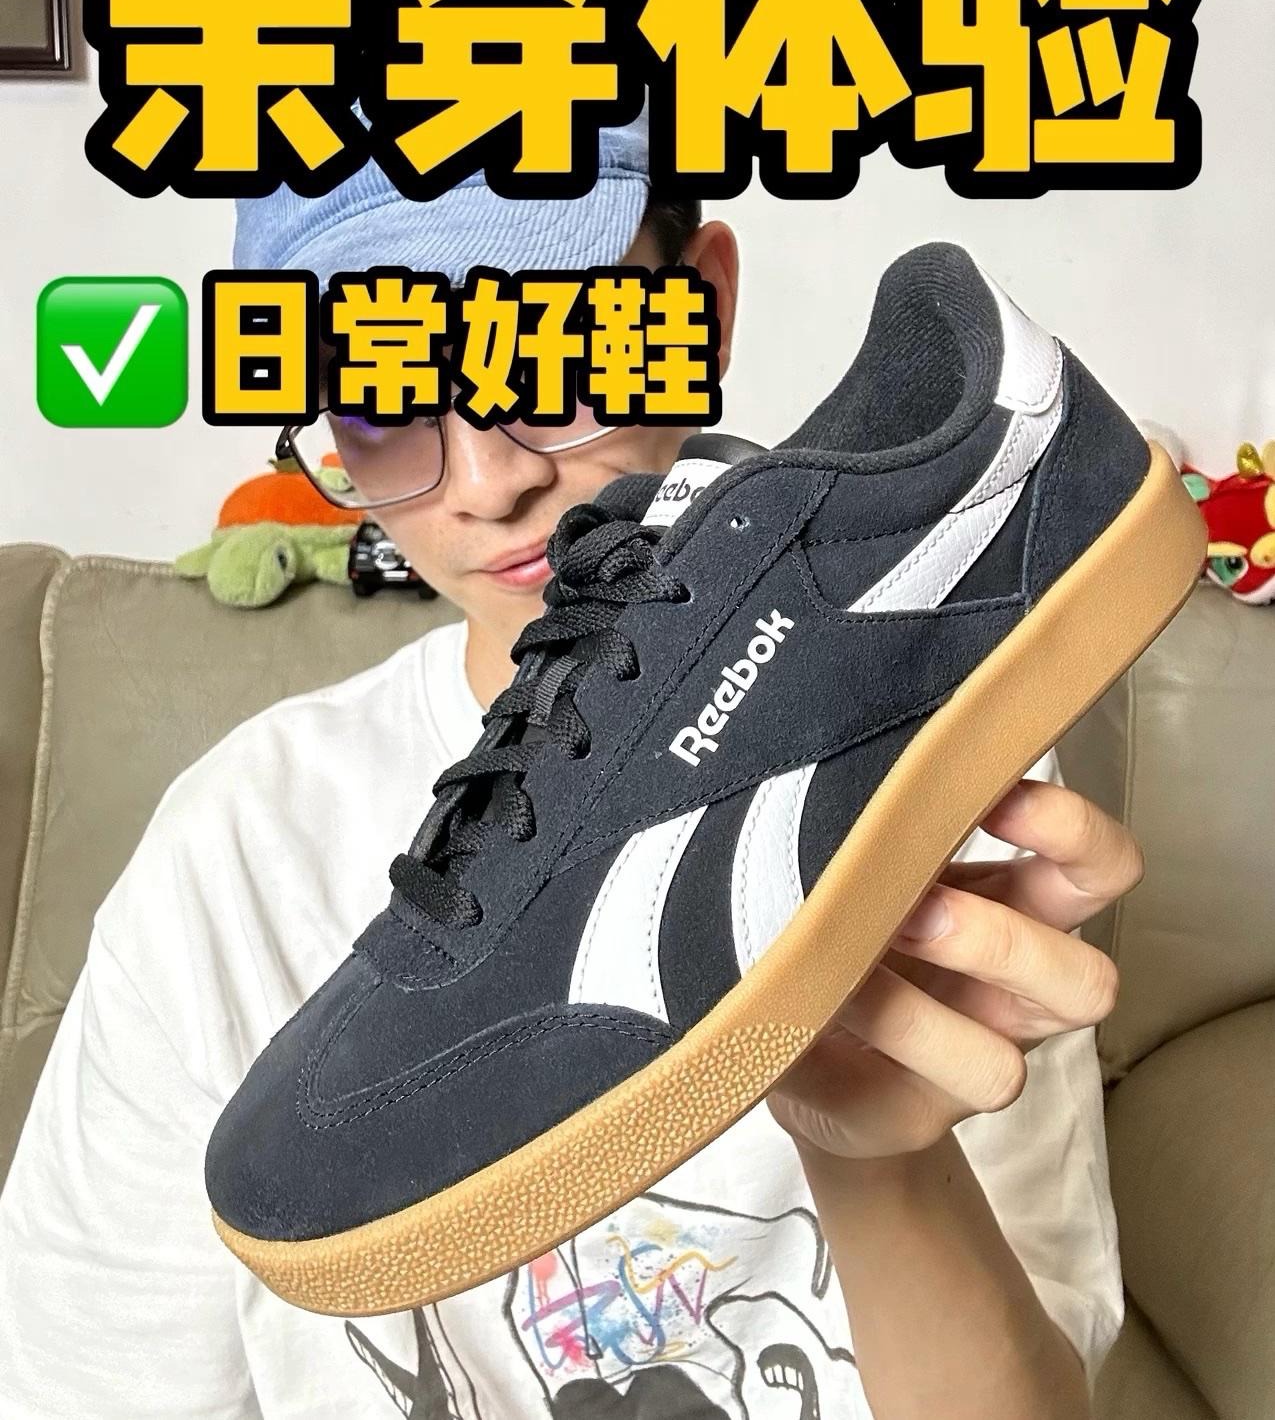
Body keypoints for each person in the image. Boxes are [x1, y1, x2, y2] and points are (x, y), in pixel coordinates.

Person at [0, 116, 1132, 1419]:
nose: (488, 479)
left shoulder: (925, 754)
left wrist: (880, 1158)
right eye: (380, 396)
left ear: (702, 304)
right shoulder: (234, 852)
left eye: (548, 345)